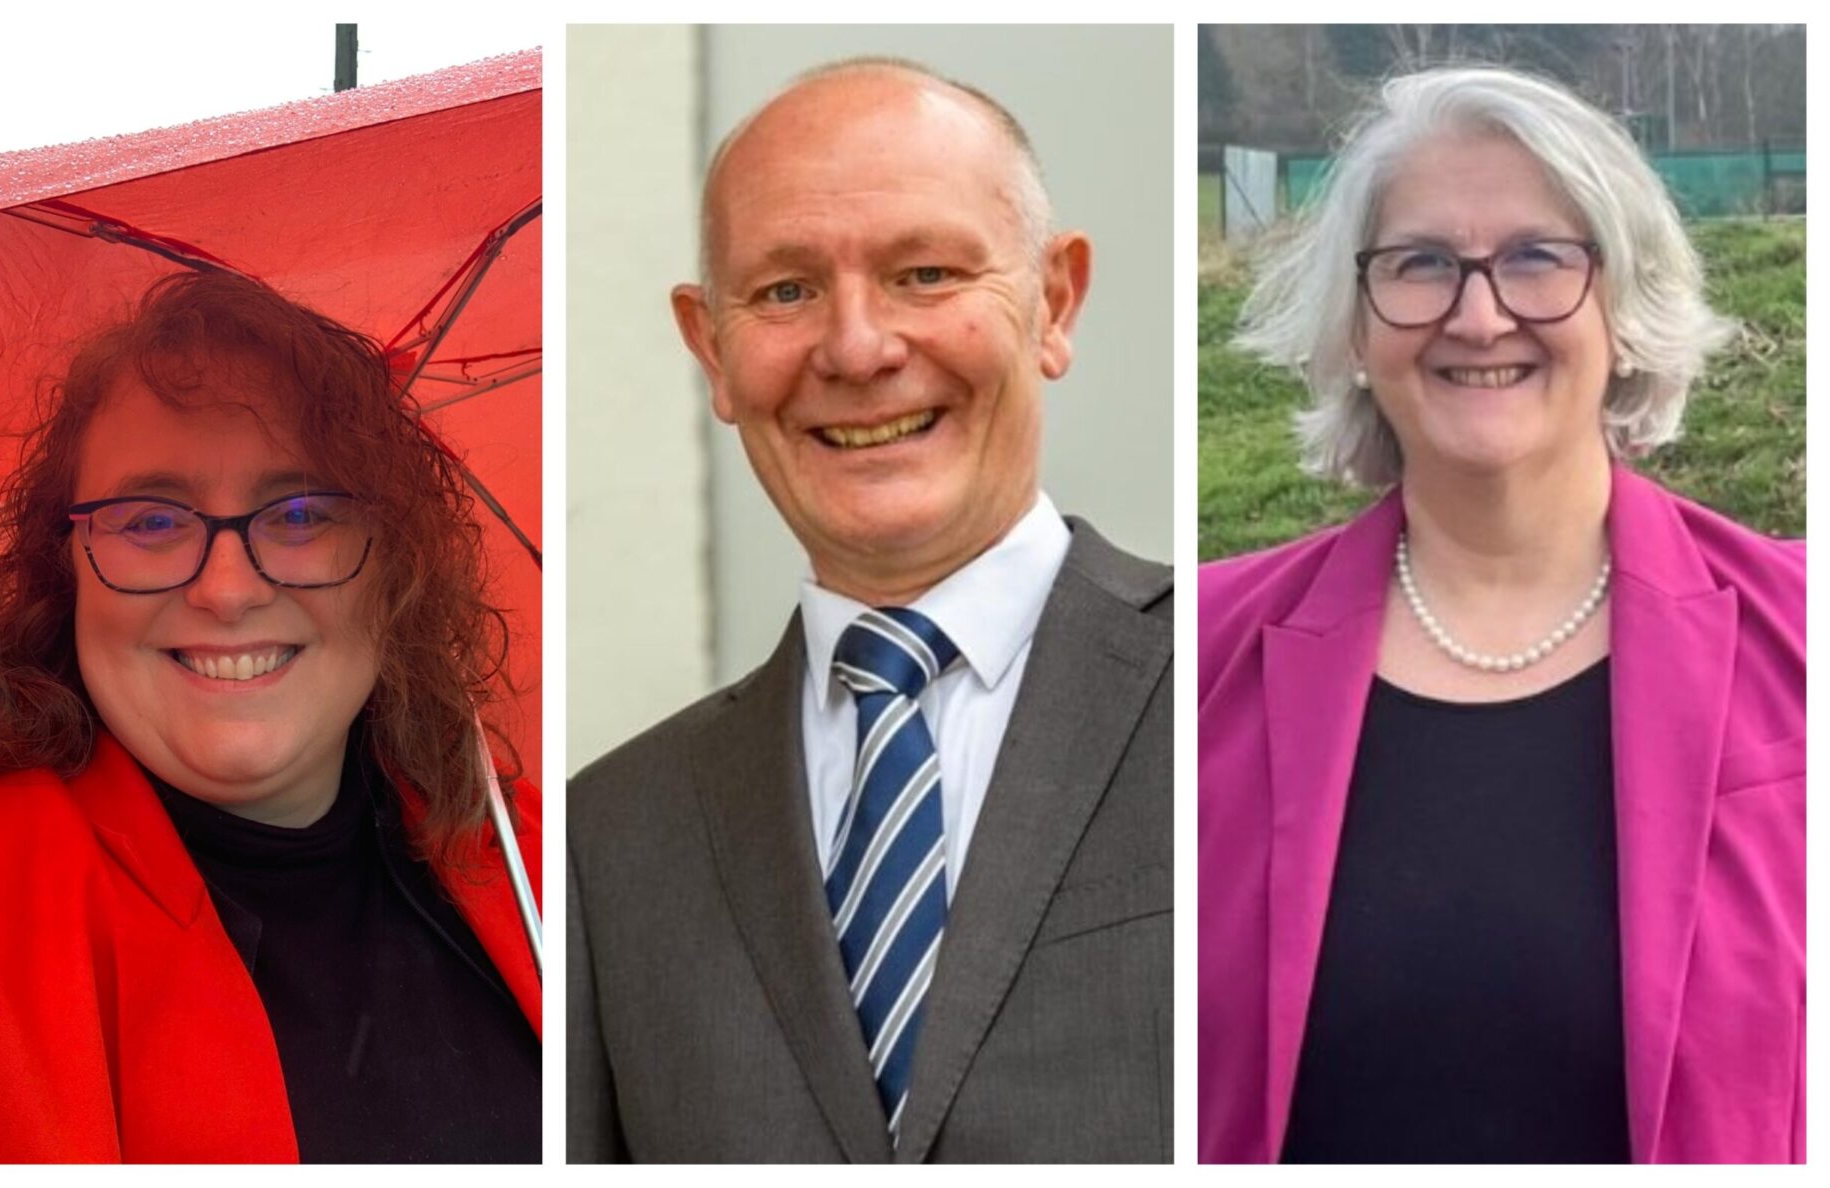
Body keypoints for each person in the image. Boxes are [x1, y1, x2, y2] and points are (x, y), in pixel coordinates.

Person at [567, 58, 1172, 1163]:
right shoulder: (607, 840)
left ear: (1056, 300)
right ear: (711, 347)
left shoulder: (1245, 689)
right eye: (786, 291)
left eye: (926, 273)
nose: (856, 348)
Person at [1200, 66, 1803, 1164]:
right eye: (1422, 263)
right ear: (1358, 313)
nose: (1479, 316)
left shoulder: (1804, 636)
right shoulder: (1189, 656)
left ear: (1624, 298)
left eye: (1536, 256)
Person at [0, 271, 543, 1163]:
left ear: (397, 564)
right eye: (149, 520)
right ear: (63, 566)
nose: (226, 589)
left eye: (301, 512)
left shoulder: (536, 867)